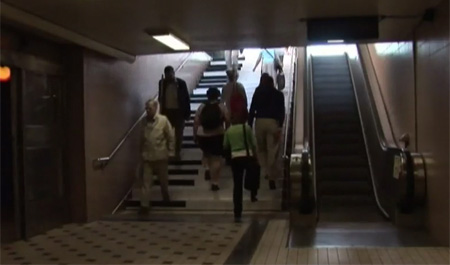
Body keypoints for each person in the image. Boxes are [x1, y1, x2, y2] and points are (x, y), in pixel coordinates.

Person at [248, 74, 285, 190]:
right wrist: (280, 126)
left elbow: (252, 108)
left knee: (261, 149)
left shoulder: (258, 92)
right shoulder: (279, 94)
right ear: (272, 82)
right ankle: (272, 176)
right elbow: (282, 111)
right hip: (272, 123)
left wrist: (249, 123)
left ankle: (266, 172)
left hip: (259, 122)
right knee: (272, 149)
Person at [139, 99, 175, 214]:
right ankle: (145, 205)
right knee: (146, 182)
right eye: (146, 109)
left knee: (163, 180)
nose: (147, 111)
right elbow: (141, 139)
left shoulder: (163, 120)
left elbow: (170, 136)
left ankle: (165, 196)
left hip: (161, 155)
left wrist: (171, 151)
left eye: (150, 108)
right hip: (147, 157)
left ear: (155, 108)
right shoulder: (143, 122)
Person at [224, 115, 259, 223]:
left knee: (237, 185)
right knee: (253, 175)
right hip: (247, 156)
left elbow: (225, 146)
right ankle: (253, 194)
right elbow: (254, 144)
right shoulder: (247, 128)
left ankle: (237, 212)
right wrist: (256, 157)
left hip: (235, 158)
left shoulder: (228, 131)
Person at [194, 87, 230, 191]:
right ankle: (215, 182)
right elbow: (227, 120)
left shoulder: (202, 106)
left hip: (203, 135)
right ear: (218, 95)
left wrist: (195, 134)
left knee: (206, 154)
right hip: (217, 134)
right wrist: (226, 131)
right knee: (216, 158)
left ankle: (207, 168)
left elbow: (196, 122)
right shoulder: (221, 106)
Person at [158, 65, 191, 159]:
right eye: (167, 75)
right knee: (166, 133)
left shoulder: (181, 83)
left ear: (173, 73)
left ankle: (177, 152)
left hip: (179, 112)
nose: (169, 77)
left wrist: (187, 113)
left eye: (171, 74)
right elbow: (161, 96)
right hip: (167, 112)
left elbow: (186, 98)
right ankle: (168, 152)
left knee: (179, 133)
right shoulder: (162, 83)